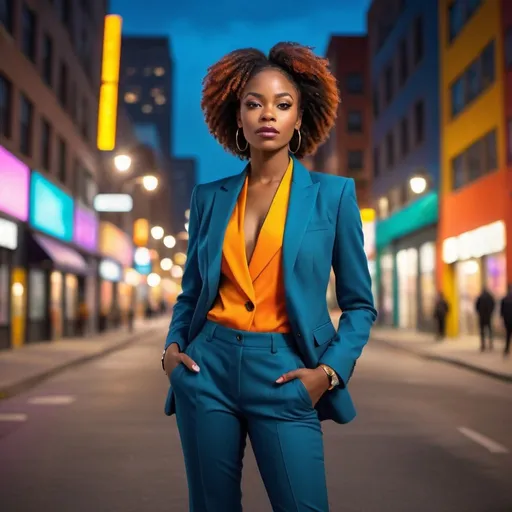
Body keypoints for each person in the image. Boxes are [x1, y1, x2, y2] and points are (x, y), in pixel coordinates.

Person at [161, 42, 377, 511]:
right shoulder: (208, 197)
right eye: (254, 104)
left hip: (286, 373)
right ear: (237, 116)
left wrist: (329, 373)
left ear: (300, 118)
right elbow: (192, 290)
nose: (268, 115)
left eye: (282, 105)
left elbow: (360, 305)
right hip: (207, 369)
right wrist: (173, 352)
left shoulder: (333, 196)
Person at [475, 287, 495, 352]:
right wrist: (490, 312)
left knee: (482, 331)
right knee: (489, 331)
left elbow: (476, 306)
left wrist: (479, 313)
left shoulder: (480, 297)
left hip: (482, 316)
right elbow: (493, 305)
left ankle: (483, 345)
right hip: (488, 316)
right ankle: (490, 344)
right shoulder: (490, 297)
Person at [500, 285, 512, 356]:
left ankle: (506, 349)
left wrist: (503, 318)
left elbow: (501, 311)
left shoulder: (505, 299)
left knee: (508, 335)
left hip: (507, 320)